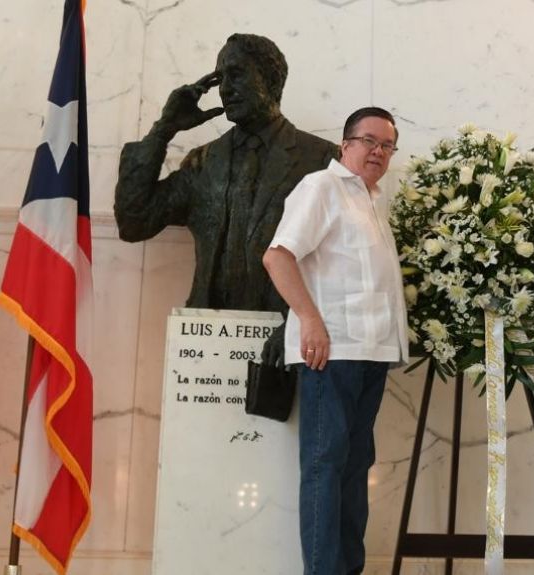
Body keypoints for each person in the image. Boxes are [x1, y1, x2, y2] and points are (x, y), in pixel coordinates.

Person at [114, 34, 338, 362]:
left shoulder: (320, 159)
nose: (225, 88)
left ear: (272, 80)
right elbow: (134, 222)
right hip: (208, 344)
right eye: (220, 79)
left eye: (237, 74)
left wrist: (302, 319)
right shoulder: (204, 162)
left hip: (286, 343)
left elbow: (340, 258)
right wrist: (164, 129)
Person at [262, 107, 409, 575]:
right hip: (333, 353)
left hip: (373, 354)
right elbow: (278, 256)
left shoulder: (372, 200)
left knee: (353, 469)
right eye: (369, 141)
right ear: (345, 144)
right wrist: (309, 319)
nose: (378, 152)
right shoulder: (320, 187)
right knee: (326, 467)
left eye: (387, 145)